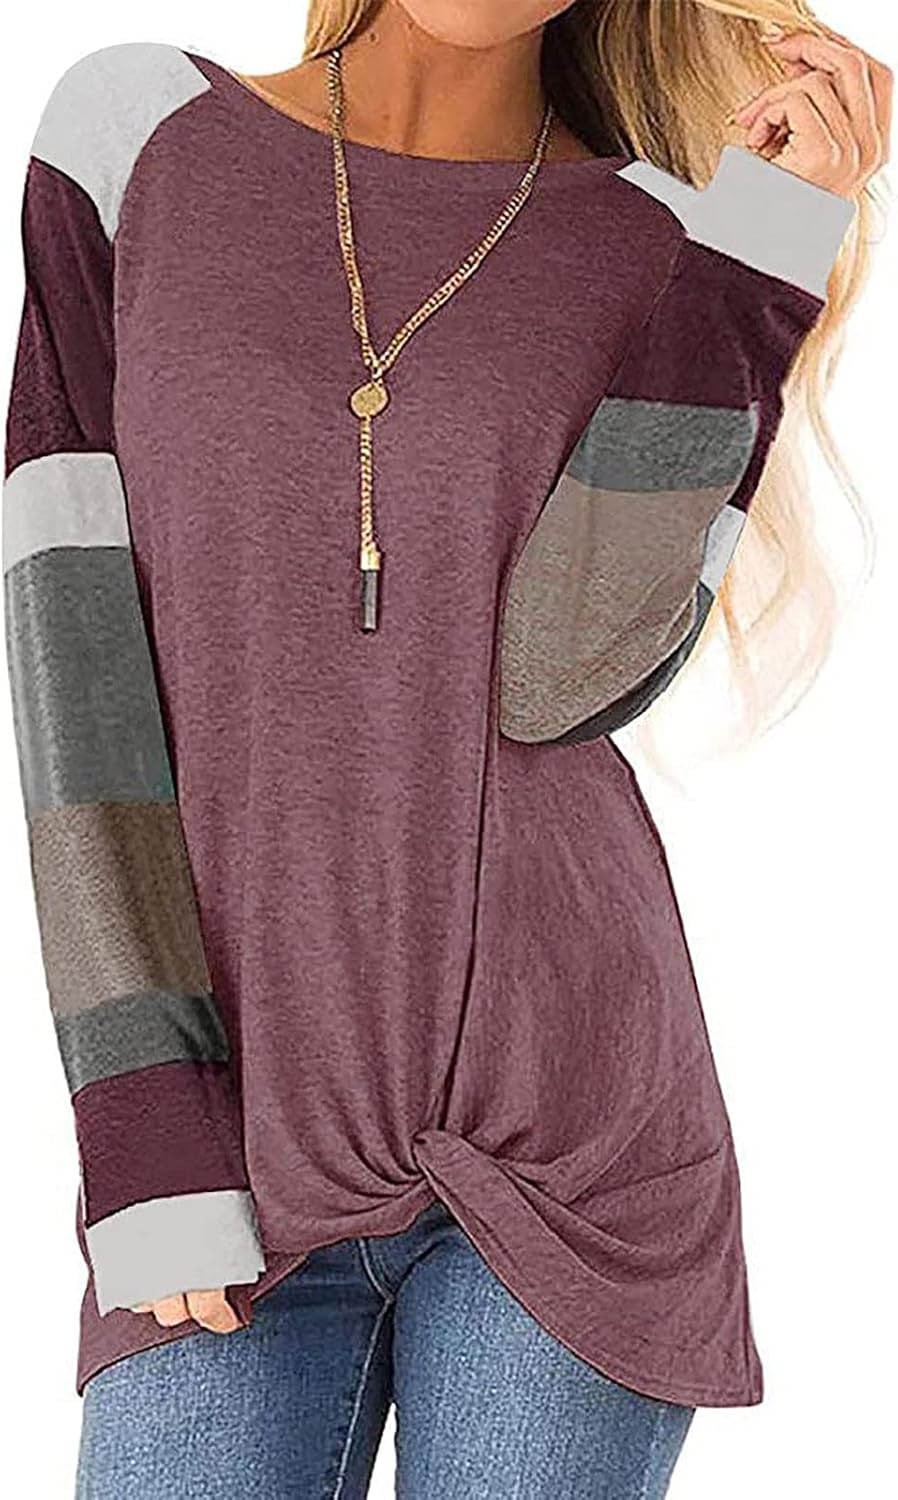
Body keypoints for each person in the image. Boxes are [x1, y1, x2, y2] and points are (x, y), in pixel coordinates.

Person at [1, 1, 889, 1495]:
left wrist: (763, 248)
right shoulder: (136, 135)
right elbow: (69, 649)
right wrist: (146, 1132)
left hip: (568, 1153)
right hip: (232, 1138)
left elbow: (564, 675)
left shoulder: (667, 237)